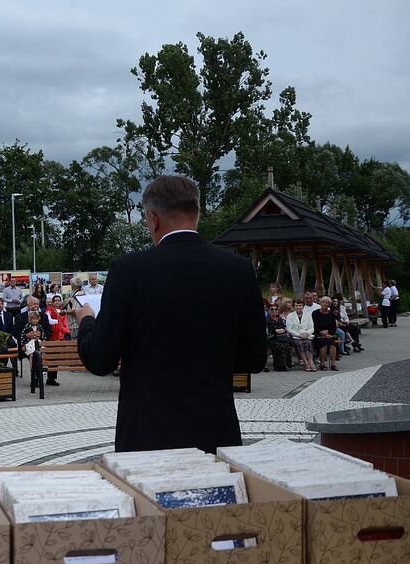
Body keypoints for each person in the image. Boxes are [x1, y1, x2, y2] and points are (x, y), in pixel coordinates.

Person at [76, 175, 267, 453]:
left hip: (147, 435)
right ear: (196, 213)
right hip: (215, 432)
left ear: (152, 219)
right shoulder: (238, 269)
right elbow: (254, 358)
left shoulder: (128, 271)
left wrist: (86, 321)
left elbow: (100, 360)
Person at [15, 296, 56, 385]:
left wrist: (41, 335)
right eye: (34, 304)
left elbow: (49, 331)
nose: (36, 306)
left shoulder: (43, 316)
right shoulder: (20, 317)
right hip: (26, 345)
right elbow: (16, 333)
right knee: (34, 355)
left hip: (41, 343)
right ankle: (36, 379)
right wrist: (27, 335)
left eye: (37, 304)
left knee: (53, 353)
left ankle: (51, 378)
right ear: (28, 305)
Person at [286, 299, 316, 372]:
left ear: (303, 306)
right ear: (294, 307)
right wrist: (299, 335)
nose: (298, 307)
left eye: (300, 305)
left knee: (307, 342)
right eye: (296, 305)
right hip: (296, 336)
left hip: (307, 335)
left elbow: (312, 327)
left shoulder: (308, 315)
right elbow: (289, 329)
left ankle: (311, 362)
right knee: (301, 343)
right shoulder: (290, 315)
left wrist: (307, 333)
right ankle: (306, 363)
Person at [312, 296, 339, 371]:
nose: (324, 304)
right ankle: (322, 364)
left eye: (326, 303)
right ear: (320, 303)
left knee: (332, 342)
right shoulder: (315, 313)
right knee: (323, 342)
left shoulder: (331, 314)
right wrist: (321, 332)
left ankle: (333, 364)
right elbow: (313, 325)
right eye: (323, 302)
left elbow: (333, 327)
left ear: (329, 304)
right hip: (318, 333)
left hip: (329, 333)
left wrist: (328, 332)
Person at [266, 304, 291, 371]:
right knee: (278, 346)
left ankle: (285, 364)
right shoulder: (267, 319)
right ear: (269, 310)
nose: (274, 310)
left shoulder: (280, 319)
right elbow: (268, 330)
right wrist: (275, 331)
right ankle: (278, 366)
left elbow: (284, 328)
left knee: (287, 345)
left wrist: (281, 330)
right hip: (272, 338)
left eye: (275, 309)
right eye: (272, 309)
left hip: (281, 337)